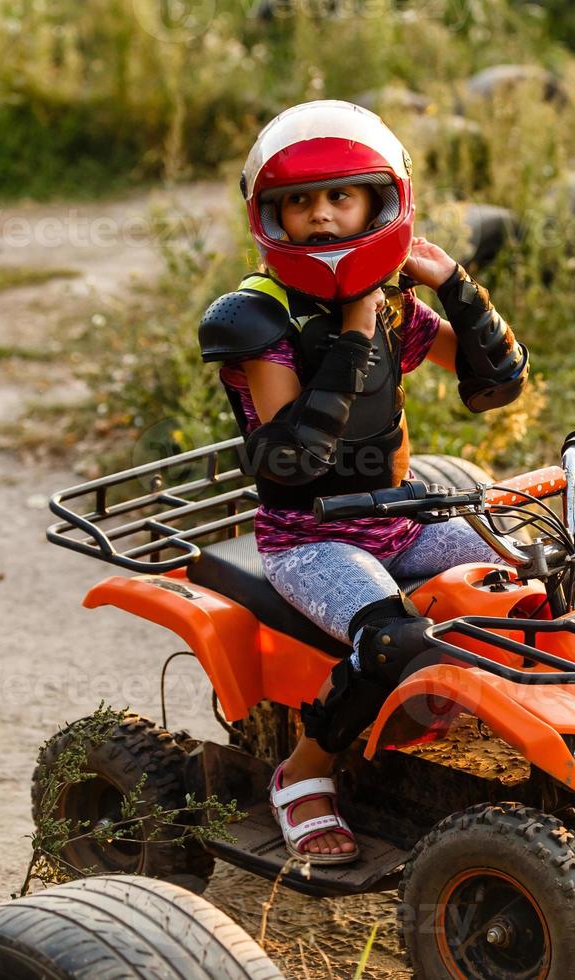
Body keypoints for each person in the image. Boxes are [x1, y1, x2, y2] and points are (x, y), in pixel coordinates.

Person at [197, 100, 529, 863]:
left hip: (399, 520)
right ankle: (303, 777)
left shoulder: (394, 308)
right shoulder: (259, 321)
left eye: (340, 197)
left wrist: (453, 283)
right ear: (269, 215)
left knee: (527, 575)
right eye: (299, 203)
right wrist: (351, 328)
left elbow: (494, 383)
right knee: (391, 639)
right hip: (309, 538)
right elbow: (292, 458)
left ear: (382, 202)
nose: (320, 218)